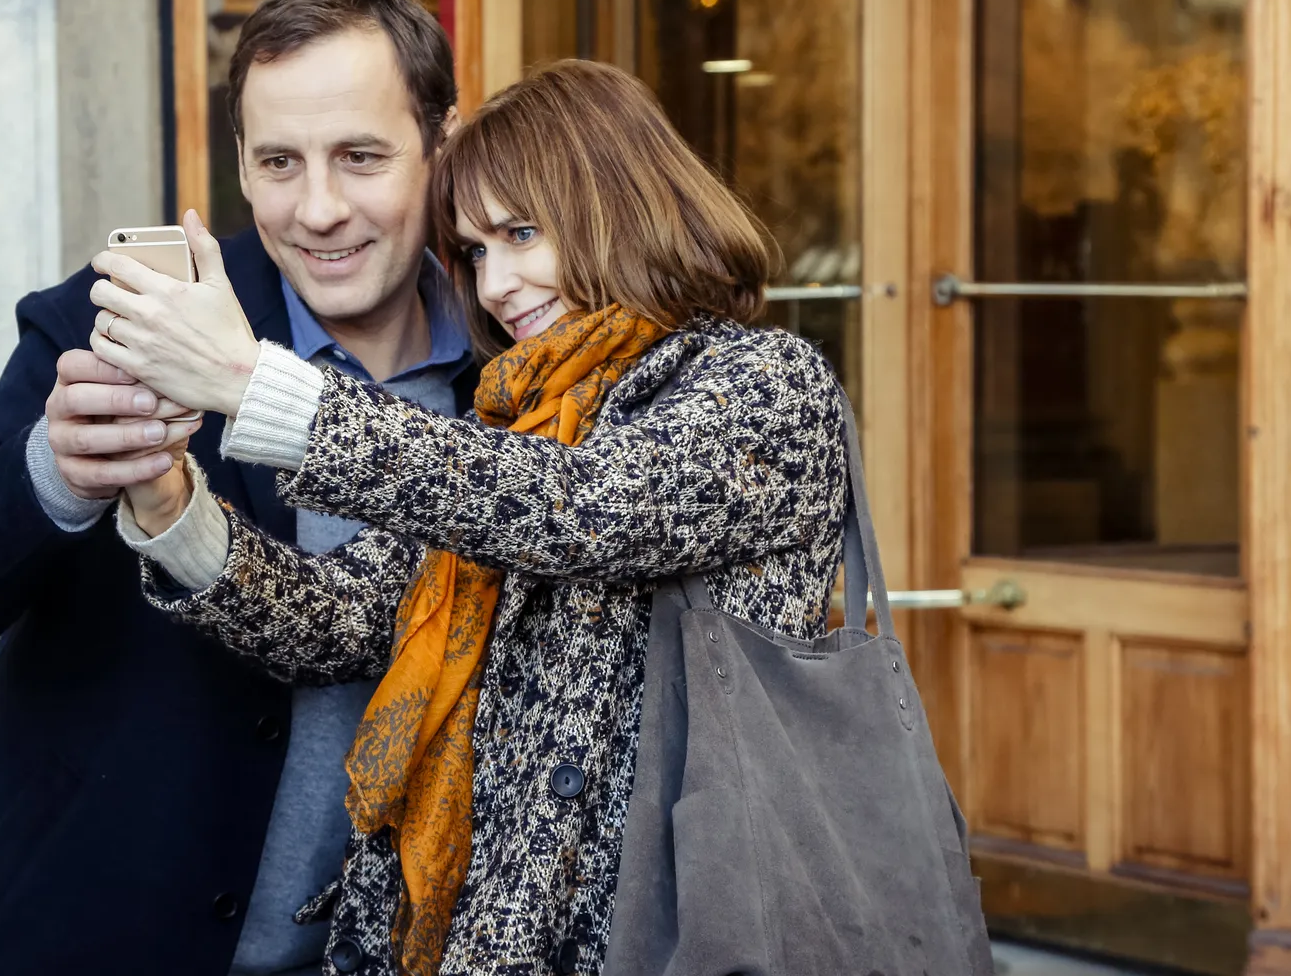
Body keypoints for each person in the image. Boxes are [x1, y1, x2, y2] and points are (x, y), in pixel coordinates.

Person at [90, 59, 850, 975]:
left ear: (618, 201)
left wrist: (257, 386)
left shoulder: (766, 383)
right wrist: (167, 498)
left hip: (663, 934)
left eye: (521, 233)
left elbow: (584, 510)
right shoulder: (519, 417)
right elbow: (340, 619)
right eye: (477, 251)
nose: (494, 285)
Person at [0, 0, 474, 975]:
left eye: (360, 157)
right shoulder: (123, 318)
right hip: (57, 943)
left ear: (439, 145)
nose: (319, 209)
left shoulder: (509, 373)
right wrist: (55, 471)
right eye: (279, 162)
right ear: (239, 163)